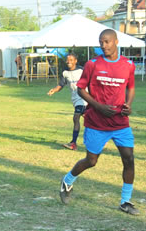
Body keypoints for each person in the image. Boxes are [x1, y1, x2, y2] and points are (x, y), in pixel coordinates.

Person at [59, 30, 138, 215]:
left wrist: (128, 104)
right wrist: (98, 106)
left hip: (120, 123)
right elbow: (80, 89)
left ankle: (125, 201)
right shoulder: (92, 64)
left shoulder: (128, 65)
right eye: (101, 42)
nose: (104, 45)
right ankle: (67, 181)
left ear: (116, 42)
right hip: (96, 122)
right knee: (91, 161)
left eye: (107, 42)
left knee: (129, 159)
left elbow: (131, 87)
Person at [47, 52, 86, 150]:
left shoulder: (82, 70)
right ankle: (102, 137)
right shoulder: (65, 73)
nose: (68, 62)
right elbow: (61, 84)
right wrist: (54, 90)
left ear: (75, 61)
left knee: (76, 118)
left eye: (71, 60)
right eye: (67, 60)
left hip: (84, 98)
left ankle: (73, 143)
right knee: (90, 120)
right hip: (75, 99)